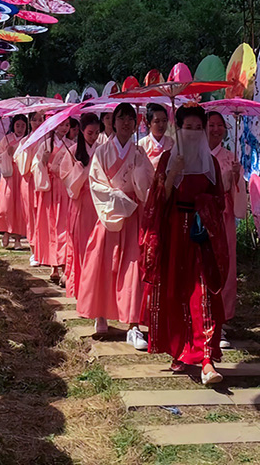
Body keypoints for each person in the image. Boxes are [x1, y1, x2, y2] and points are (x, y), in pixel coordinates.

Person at [140, 105, 228, 385]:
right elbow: (157, 201)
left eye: (197, 129)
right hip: (174, 231)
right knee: (175, 291)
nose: (192, 134)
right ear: (177, 130)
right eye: (187, 129)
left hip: (201, 235)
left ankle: (206, 360)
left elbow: (220, 201)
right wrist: (172, 174)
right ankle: (179, 349)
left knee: (202, 293)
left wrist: (206, 207)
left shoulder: (210, 163)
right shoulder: (168, 158)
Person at [77, 103, 153, 348]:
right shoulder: (101, 152)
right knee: (103, 263)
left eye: (131, 118)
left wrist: (141, 172)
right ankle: (100, 313)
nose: (126, 123)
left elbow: (146, 187)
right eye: (121, 118)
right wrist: (119, 200)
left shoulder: (140, 153)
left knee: (133, 267)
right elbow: (96, 184)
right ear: (112, 121)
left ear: (136, 122)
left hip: (133, 216)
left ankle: (133, 325)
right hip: (110, 213)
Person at [207, 111, 247, 339]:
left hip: (224, 218)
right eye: (211, 124)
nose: (215, 129)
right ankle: (202, 316)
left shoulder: (230, 157)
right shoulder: (197, 155)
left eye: (219, 125)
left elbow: (237, 193)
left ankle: (219, 320)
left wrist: (236, 178)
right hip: (203, 219)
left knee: (225, 267)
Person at [60, 113, 101, 298]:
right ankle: (81, 288)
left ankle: (95, 288)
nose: (93, 137)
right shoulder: (73, 152)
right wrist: (82, 171)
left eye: (97, 133)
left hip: (100, 204)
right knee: (81, 246)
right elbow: (69, 185)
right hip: (81, 205)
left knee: (98, 248)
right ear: (82, 131)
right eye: (90, 132)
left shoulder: (103, 150)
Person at [31, 118, 72, 284]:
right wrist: (43, 161)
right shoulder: (45, 145)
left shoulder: (71, 145)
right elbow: (35, 167)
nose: (64, 128)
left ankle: (64, 265)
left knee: (64, 226)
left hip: (65, 189)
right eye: (61, 124)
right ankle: (53, 266)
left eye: (67, 125)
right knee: (50, 226)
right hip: (50, 189)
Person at [0, 115, 29, 249]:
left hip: (22, 175)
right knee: (7, 205)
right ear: (13, 126)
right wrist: (6, 154)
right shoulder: (6, 139)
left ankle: (18, 239)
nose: (20, 129)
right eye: (18, 125)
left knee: (20, 206)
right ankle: (6, 232)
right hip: (9, 176)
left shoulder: (28, 140)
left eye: (23, 126)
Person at [17, 111, 44, 266]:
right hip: (30, 182)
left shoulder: (48, 139)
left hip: (45, 183)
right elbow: (23, 167)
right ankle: (34, 251)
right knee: (32, 218)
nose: (38, 122)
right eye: (35, 120)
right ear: (30, 121)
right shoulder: (25, 142)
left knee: (44, 217)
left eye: (41, 119)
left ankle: (45, 251)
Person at [140, 103, 173, 167]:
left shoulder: (172, 143)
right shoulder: (141, 145)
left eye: (164, 121)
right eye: (157, 121)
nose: (161, 125)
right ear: (148, 123)